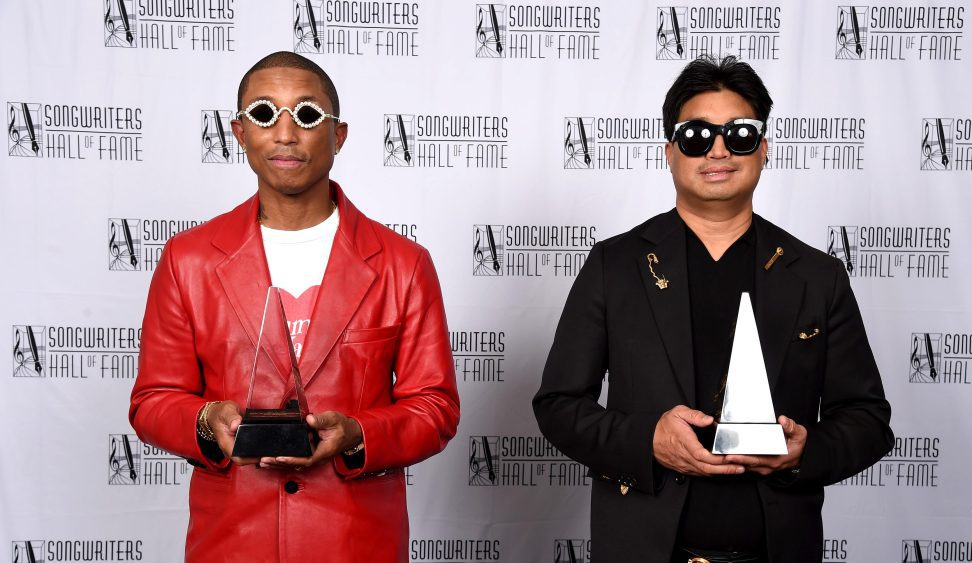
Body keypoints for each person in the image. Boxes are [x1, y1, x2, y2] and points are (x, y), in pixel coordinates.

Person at [532, 56, 892, 563]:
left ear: (763, 149)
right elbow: (559, 405)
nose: (718, 149)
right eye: (697, 135)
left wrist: (804, 451)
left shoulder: (817, 276)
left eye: (739, 134)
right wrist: (647, 440)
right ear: (671, 152)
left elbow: (868, 420)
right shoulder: (616, 265)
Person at [129, 51, 460, 562]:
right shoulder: (187, 260)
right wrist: (206, 419)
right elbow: (153, 400)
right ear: (239, 132)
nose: (285, 134)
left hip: (355, 544)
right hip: (232, 543)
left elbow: (434, 407)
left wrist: (357, 435)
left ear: (339, 135)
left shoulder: (403, 264)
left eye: (306, 115)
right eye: (264, 114)